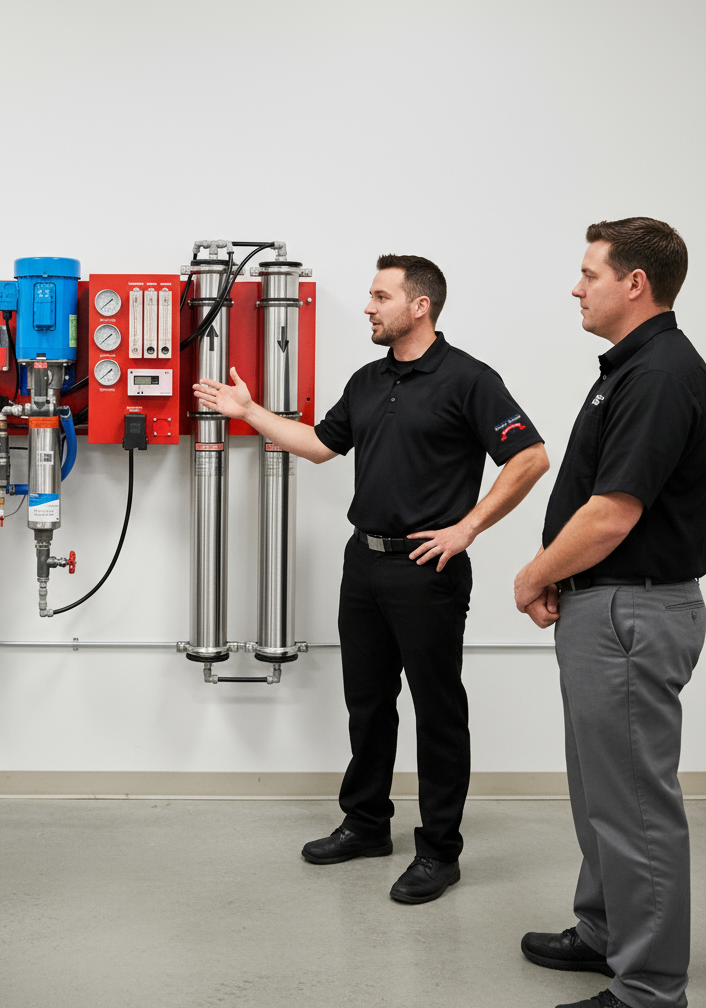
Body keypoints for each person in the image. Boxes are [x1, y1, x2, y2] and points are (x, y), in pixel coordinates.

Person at [194, 254, 548, 903]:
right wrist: (247, 409)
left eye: (380, 295)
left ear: (420, 306)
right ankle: (366, 823)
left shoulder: (469, 379)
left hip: (427, 567)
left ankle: (439, 851)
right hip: (364, 563)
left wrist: (466, 529)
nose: (367, 305)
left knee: (438, 712)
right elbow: (319, 444)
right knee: (368, 703)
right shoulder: (366, 380)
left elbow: (529, 456)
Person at [514, 218, 705, 1008]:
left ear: (635, 283)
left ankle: (650, 986)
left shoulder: (659, 372)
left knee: (634, 802)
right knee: (600, 790)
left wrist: (533, 573)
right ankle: (603, 933)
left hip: (631, 611)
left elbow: (614, 514)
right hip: (604, 605)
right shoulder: (628, 368)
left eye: (589, 272)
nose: (575, 286)